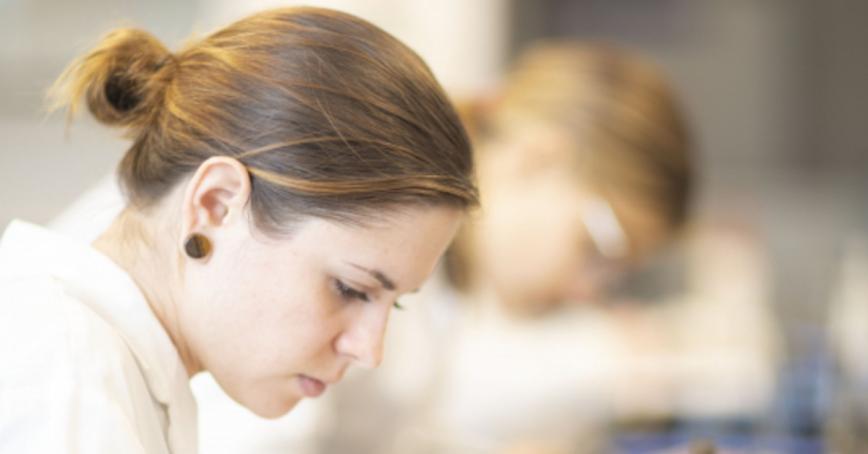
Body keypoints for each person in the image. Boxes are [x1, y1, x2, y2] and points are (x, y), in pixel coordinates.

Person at [0, 7, 477, 453]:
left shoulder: (102, 364)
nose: (369, 351)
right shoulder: (68, 384)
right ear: (216, 204)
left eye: (394, 301)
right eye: (349, 289)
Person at [316, 42, 778, 454]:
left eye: (618, 272)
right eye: (596, 248)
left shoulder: (459, 288)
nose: (586, 291)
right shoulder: (378, 229)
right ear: (537, 157)